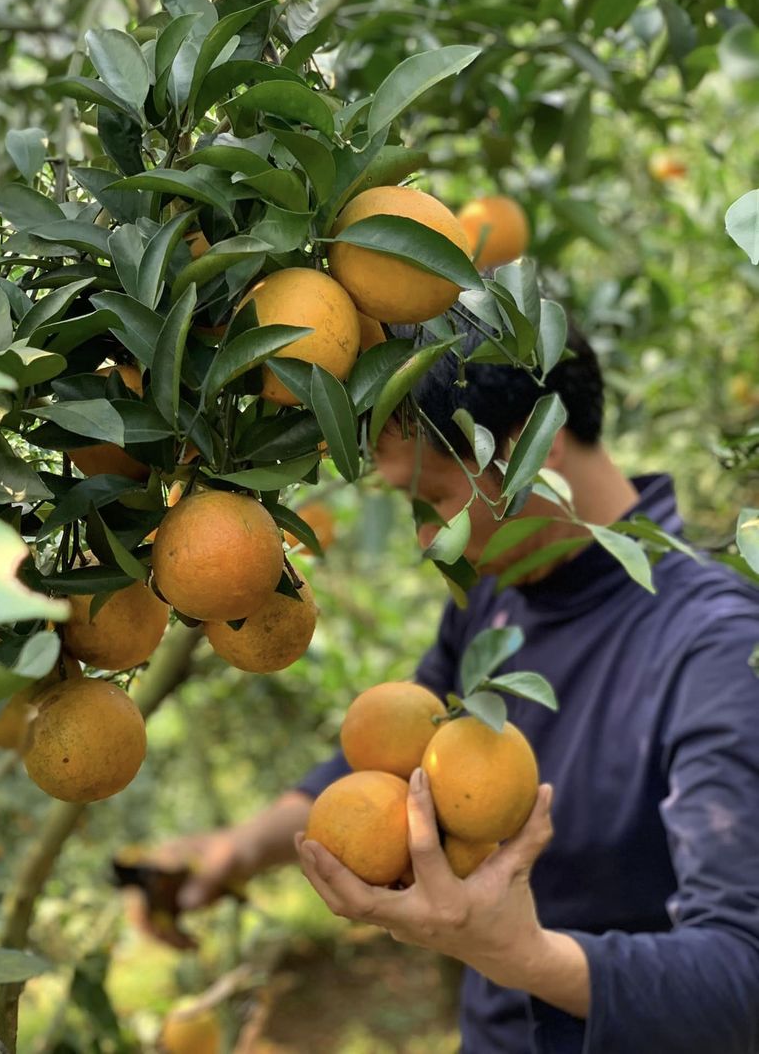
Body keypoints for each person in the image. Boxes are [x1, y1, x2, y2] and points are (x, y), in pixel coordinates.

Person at [132, 322, 759, 1053]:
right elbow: (391, 756)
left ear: (532, 444)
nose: (426, 541)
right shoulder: (493, 598)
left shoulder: (716, 648)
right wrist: (237, 851)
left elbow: (739, 979)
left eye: (430, 499)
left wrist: (519, 955)